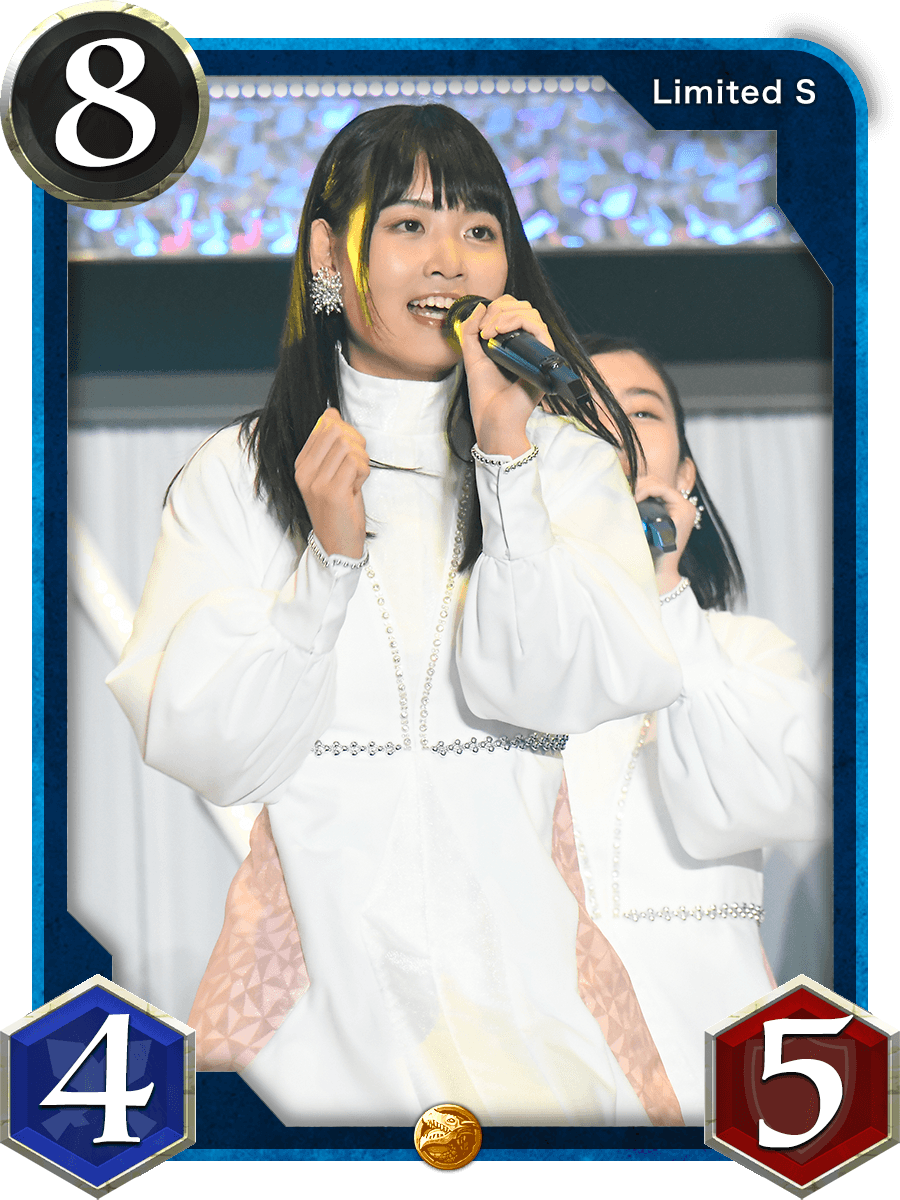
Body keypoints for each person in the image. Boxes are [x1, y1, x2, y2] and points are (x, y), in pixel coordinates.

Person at [106, 105, 685, 1129]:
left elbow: (551, 686)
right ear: (331, 256)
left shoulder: (566, 465)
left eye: (478, 228)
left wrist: (506, 458)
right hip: (316, 1025)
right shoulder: (237, 477)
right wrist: (327, 568)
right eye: (411, 225)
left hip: (529, 1016)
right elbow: (211, 747)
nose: (450, 260)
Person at [557, 335, 831, 1125]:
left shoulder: (746, 653)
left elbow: (755, 802)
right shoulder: (485, 668)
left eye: (640, 413)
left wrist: (664, 589)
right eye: (582, 412)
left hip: (714, 1074)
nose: (615, 429)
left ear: (685, 478)